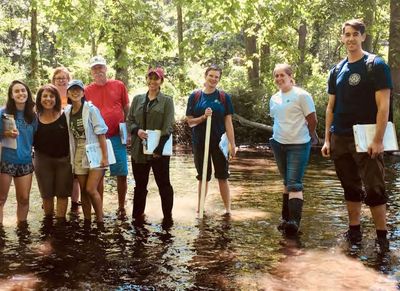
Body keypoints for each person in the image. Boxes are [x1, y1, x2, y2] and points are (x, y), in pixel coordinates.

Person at [321, 19, 392, 253]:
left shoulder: (376, 65)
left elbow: (383, 106)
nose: (351, 38)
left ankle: (382, 237)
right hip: (340, 136)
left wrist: (379, 139)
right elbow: (331, 107)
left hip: (367, 136)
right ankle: (355, 231)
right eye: (347, 34)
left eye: (355, 34)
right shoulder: (337, 70)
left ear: (363, 36)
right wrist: (327, 139)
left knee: (374, 188)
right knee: (350, 187)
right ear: (342, 38)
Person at [269, 63, 317, 235]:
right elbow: (277, 120)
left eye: (282, 75)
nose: (279, 78)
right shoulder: (274, 98)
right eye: (276, 76)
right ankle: (285, 219)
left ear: (290, 76)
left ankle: (294, 223)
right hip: (278, 143)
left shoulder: (302, 95)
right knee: (286, 182)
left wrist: (309, 136)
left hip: (298, 144)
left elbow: (312, 120)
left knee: (294, 184)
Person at [127, 67, 175, 225]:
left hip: (159, 150)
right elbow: (130, 121)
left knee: (164, 185)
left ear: (161, 81)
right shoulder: (137, 99)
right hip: (138, 150)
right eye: (150, 78)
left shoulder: (167, 101)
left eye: (157, 78)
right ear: (146, 80)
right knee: (140, 186)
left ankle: (167, 219)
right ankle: (137, 219)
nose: (153, 81)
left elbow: (168, 127)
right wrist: (137, 130)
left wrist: (158, 149)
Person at [186, 65, 236, 216]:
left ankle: (228, 210)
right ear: (205, 77)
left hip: (220, 143)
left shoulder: (223, 97)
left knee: (222, 176)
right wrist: (203, 117)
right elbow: (190, 122)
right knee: (203, 176)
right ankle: (200, 207)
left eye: (216, 77)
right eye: (211, 76)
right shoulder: (195, 96)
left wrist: (232, 144)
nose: (213, 79)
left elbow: (228, 122)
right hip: (200, 142)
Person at [85, 55, 129, 217]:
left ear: (106, 68)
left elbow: (126, 107)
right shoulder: (87, 90)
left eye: (100, 67)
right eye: (95, 68)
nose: (98, 71)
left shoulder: (118, 85)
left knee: (121, 173)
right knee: (99, 175)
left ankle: (121, 207)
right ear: (91, 71)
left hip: (117, 136)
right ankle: (100, 208)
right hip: (97, 139)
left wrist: (128, 130)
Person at [64, 80, 109, 224]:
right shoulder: (67, 112)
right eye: (72, 90)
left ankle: (100, 220)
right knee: (83, 189)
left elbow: (101, 133)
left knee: (91, 189)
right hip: (78, 151)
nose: (75, 92)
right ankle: (88, 221)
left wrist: (105, 157)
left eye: (78, 90)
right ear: (68, 93)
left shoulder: (91, 109)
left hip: (94, 150)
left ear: (83, 93)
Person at [0, 80, 37, 225]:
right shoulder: (3, 113)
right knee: (1, 199)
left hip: (25, 162)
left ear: (27, 93)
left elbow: (36, 138)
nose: (20, 93)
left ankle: (22, 231)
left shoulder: (32, 116)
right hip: (5, 161)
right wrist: (5, 134)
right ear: (11, 95)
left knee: (24, 199)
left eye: (23, 90)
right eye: (16, 91)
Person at [33, 84, 73, 220]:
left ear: (56, 98)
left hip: (64, 160)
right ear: (39, 99)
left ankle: (61, 224)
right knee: (46, 194)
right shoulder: (34, 118)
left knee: (62, 193)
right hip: (42, 160)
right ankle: (48, 223)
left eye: (51, 96)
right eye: (45, 96)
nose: (48, 99)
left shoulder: (65, 115)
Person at [51, 67, 81, 211]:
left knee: (74, 173)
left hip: (73, 139)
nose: (62, 80)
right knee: (56, 172)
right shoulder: (50, 96)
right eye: (58, 78)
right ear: (54, 81)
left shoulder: (73, 95)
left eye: (64, 78)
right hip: (55, 141)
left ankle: (75, 204)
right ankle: (53, 204)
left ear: (69, 80)